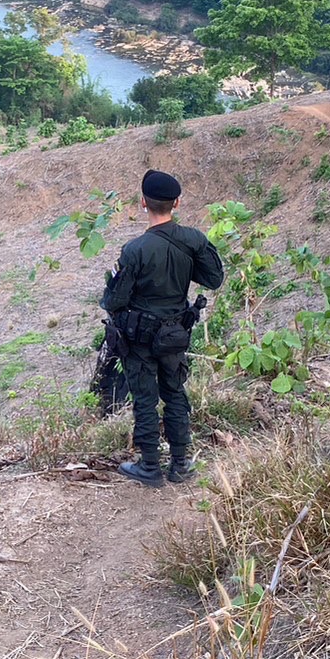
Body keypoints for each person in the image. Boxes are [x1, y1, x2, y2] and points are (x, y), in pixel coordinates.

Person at [100, 170, 224, 487]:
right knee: (175, 393)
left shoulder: (134, 250)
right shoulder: (193, 239)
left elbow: (114, 300)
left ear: (143, 203)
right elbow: (214, 278)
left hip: (139, 338)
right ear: (176, 203)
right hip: (175, 335)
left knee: (145, 398)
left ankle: (150, 466)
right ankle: (180, 463)